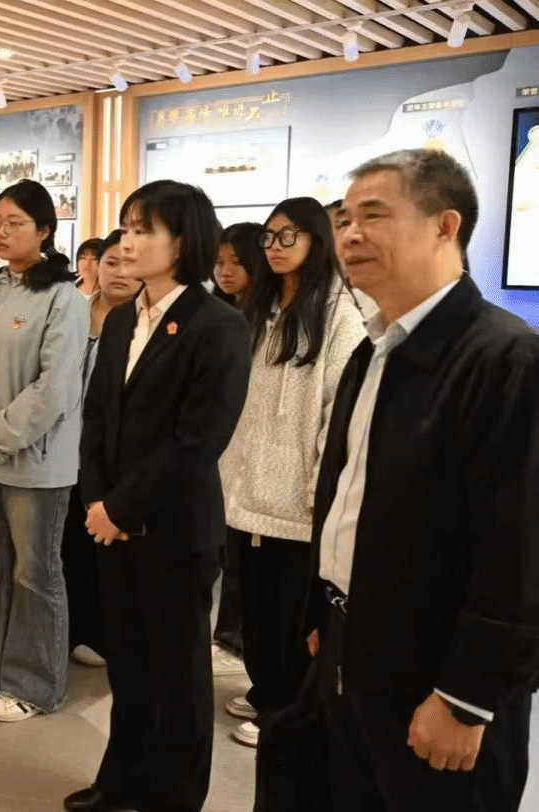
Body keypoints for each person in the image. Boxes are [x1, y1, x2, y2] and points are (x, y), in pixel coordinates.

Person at [295, 148, 539, 810]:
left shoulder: (505, 358)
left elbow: (519, 548)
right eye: (344, 220)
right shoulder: (374, 350)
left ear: (444, 226)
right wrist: (325, 613)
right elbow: (349, 497)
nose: (349, 235)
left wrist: (468, 696)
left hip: (437, 679)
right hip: (352, 650)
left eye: (373, 215)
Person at [67, 180, 251, 812]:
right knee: (129, 668)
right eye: (126, 227)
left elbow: (197, 441)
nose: (128, 241)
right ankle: (121, 781)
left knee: (179, 679)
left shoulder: (220, 325)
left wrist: (121, 508)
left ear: (184, 240)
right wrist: (97, 503)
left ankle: (173, 799)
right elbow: (97, 418)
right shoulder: (122, 318)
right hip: (111, 525)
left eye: (144, 229)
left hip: (175, 532)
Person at [218, 199, 366, 749]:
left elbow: (337, 414)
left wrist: (317, 491)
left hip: (298, 502)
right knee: (254, 609)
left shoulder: (339, 315)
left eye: (289, 236)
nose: (276, 248)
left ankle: (286, 707)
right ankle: (265, 690)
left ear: (315, 241)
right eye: (270, 237)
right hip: (248, 488)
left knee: (291, 615)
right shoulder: (259, 308)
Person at [0, 180, 85, 723]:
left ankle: (35, 684)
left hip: (35, 463)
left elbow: (55, 387)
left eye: (15, 223)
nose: (2, 232)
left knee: (36, 573)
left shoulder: (64, 298)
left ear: (44, 231)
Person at [60, 229, 138, 669]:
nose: (120, 272)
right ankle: (69, 629)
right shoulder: (73, 312)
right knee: (67, 545)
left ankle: (101, 634)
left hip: (113, 459)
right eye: (111, 262)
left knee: (105, 550)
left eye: (129, 263)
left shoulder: (143, 325)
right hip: (64, 451)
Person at [210, 221, 266, 657]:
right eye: (219, 262)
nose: (225, 271)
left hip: (250, 446)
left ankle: (237, 634)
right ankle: (226, 630)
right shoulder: (214, 314)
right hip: (216, 445)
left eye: (236, 262)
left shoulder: (265, 318)